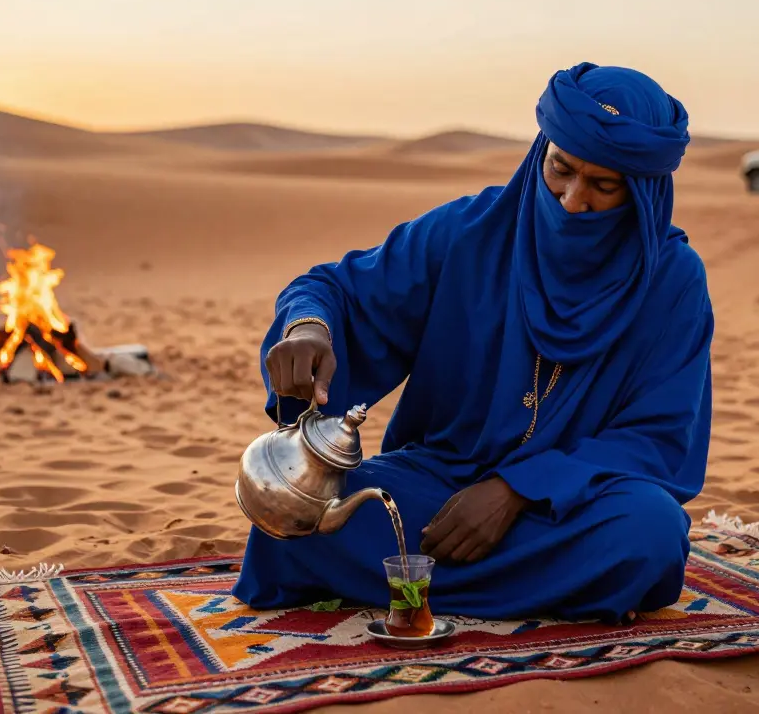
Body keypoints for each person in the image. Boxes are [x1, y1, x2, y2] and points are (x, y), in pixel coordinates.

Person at [231, 62, 713, 622]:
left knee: (648, 537)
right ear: (541, 153)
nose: (571, 199)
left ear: (643, 193)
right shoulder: (469, 231)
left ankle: (431, 583)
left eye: (603, 186)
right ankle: (541, 590)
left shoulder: (672, 281)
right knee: (292, 526)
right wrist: (306, 328)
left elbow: (658, 438)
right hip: (437, 486)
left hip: (567, 502)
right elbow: (335, 288)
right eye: (560, 169)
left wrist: (516, 490)